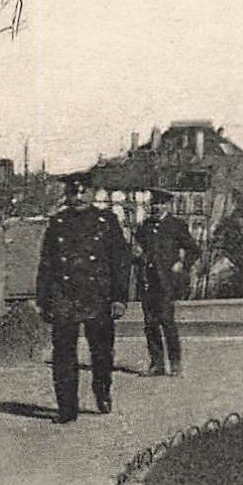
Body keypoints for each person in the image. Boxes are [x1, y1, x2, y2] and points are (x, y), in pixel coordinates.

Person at [35, 172, 130, 423]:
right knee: (63, 355)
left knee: (101, 353)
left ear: (92, 193)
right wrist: (44, 300)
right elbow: (46, 264)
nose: (78, 197)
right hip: (65, 296)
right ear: (66, 195)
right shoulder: (57, 223)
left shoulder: (106, 221)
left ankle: (102, 390)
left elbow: (120, 262)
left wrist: (119, 298)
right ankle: (67, 408)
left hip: (98, 297)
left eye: (83, 192)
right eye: (72, 192)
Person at [132, 189, 199, 376]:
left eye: (160, 204)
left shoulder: (175, 225)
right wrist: (136, 255)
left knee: (167, 322)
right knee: (150, 324)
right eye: (153, 204)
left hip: (167, 282)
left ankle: (175, 363)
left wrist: (182, 263)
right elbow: (137, 251)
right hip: (147, 281)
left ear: (167, 205)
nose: (156, 207)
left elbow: (193, 249)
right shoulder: (145, 227)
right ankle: (157, 364)